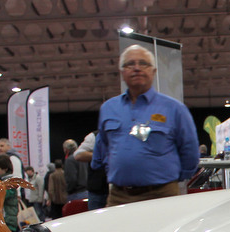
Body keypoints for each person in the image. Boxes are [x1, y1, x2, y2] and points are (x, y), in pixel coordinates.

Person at [92, 44, 199, 207]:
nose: (136, 68)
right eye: (130, 64)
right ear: (122, 72)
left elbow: (190, 152)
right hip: (119, 196)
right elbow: (104, 148)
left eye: (143, 63)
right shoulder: (108, 108)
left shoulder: (174, 109)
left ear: (154, 71)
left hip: (162, 195)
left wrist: (171, 181)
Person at [74, 131, 108, 210]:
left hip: (121, 190)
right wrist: (101, 155)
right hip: (98, 191)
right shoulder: (95, 136)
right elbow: (78, 155)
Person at [0, 153, 21, 232]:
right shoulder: (3, 181)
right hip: (6, 219)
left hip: (9, 221)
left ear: (5, 169)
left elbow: (1, 195)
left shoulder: (10, 182)